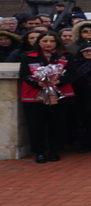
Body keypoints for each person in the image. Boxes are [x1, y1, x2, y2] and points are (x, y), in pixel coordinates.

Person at [19, 31, 75, 163]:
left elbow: (72, 72)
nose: (48, 44)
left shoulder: (67, 56)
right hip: (34, 96)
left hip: (61, 94)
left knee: (57, 124)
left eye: (52, 41)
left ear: (57, 42)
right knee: (36, 125)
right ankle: (39, 152)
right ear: (38, 42)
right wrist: (37, 82)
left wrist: (59, 81)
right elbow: (24, 74)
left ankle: (55, 150)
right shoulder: (28, 56)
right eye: (45, 41)